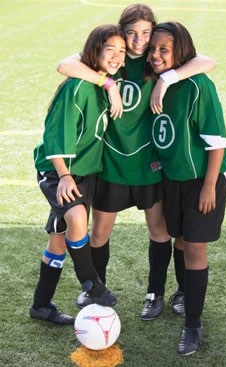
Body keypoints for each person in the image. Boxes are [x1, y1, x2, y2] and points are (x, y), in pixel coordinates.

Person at [56, 3, 217, 321]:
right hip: (113, 163)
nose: (139, 40)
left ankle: (154, 293)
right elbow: (64, 65)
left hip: (149, 165)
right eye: (131, 33)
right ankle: (94, 289)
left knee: (158, 230)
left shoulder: (155, 61)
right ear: (121, 33)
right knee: (99, 232)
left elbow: (207, 62)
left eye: (146, 32)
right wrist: (106, 83)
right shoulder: (110, 59)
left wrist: (166, 79)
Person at [29, 24, 126, 325]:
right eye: (109, 48)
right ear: (94, 50)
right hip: (60, 170)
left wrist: (111, 85)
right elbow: (54, 135)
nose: (116, 56)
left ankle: (41, 306)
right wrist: (64, 176)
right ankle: (91, 282)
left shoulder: (105, 80)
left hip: (86, 171)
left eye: (121, 51)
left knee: (58, 240)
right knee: (77, 219)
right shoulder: (77, 87)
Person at [147, 21, 226, 355]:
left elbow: (216, 143)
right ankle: (182, 293)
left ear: (180, 51)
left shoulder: (198, 86)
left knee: (195, 248)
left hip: (202, 180)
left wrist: (209, 185)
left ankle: (193, 325)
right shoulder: (152, 81)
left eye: (163, 50)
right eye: (153, 49)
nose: (155, 55)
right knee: (179, 240)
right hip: (172, 180)